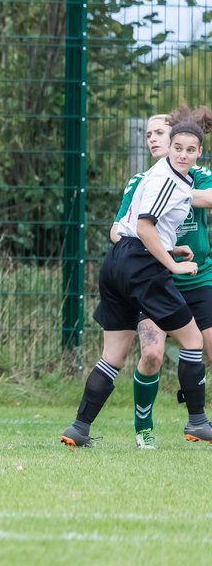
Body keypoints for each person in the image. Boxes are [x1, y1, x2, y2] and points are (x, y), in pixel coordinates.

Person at [62, 115, 212, 447]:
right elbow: (145, 228)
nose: (183, 154)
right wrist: (172, 265)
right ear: (169, 148)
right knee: (192, 341)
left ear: (199, 152)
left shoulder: (162, 176)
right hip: (142, 265)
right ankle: (198, 422)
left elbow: (140, 229)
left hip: (117, 264)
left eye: (190, 150)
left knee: (113, 355)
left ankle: (79, 428)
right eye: (177, 148)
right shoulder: (168, 180)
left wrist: (173, 247)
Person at [109, 107, 212, 448]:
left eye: (159, 132)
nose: (152, 138)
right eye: (149, 134)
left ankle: (197, 422)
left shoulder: (197, 175)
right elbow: (119, 230)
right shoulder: (145, 180)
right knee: (152, 354)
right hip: (156, 277)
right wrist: (167, 256)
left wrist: (181, 193)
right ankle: (144, 431)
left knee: (203, 347)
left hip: (198, 280)